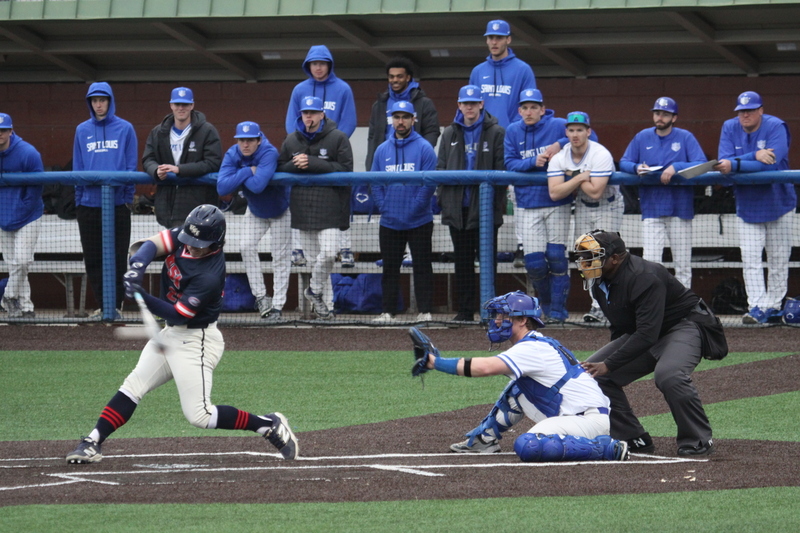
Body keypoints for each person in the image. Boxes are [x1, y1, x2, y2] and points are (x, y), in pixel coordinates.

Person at [65, 204, 298, 464]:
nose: (192, 246)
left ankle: (267, 424)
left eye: (200, 243)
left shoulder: (209, 275)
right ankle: (92, 441)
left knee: (200, 415)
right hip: (171, 334)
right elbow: (151, 246)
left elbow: (178, 314)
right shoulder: (188, 234)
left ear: (216, 243)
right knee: (133, 387)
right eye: (191, 240)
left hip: (196, 340)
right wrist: (137, 268)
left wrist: (141, 295)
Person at [418, 290, 629, 463]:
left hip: (587, 420)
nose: (497, 321)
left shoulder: (532, 348)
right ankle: (484, 439)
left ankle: (605, 448)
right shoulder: (534, 344)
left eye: (503, 315)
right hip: (572, 413)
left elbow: (485, 368)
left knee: (528, 445)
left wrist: (435, 362)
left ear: (522, 320)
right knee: (519, 388)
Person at [576, 230, 715, 456]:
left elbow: (647, 335)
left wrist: (610, 364)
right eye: (583, 257)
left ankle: (698, 439)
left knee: (669, 375)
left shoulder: (645, 276)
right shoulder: (600, 280)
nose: (585, 262)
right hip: (647, 332)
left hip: (684, 326)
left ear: (615, 258)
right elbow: (622, 328)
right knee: (590, 376)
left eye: (591, 256)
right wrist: (610, 366)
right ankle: (633, 438)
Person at [504, 88, 592, 323]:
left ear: (543, 109)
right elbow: (509, 163)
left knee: (556, 256)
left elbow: (589, 137)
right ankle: (546, 304)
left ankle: (558, 312)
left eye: (534, 107)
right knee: (534, 264)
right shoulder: (513, 130)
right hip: (526, 202)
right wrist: (533, 161)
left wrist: (558, 144)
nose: (529, 111)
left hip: (557, 200)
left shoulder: (557, 124)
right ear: (520, 110)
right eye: (525, 107)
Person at [713, 91, 796, 324]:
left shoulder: (775, 125)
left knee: (778, 258)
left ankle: (774, 306)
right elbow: (723, 164)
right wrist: (754, 156)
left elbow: (772, 163)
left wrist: (737, 164)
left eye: (750, 110)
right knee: (750, 258)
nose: (745, 114)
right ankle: (757, 307)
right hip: (748, 204)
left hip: (778, 202)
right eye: (741, 111)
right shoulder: (730, 127)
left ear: (761, 110)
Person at [278, 96, 353, 319]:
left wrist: (312, 162)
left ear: (322, 114)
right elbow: (281, 167)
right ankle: (326, 310)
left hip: (329, 207)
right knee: (317, 264)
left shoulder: (338, 137)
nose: (309, 116)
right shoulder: (291, 140)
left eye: (313, 112)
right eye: (305, 112)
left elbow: (346, 169)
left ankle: (313, 291)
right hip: (302, 208)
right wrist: (295, 164)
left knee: (329, 254)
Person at [619, 97, 706, 290]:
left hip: (679, 208)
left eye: (665, 114)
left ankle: (684, 306)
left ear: (674, 118)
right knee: (650, 264)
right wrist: (636, 167)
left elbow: (701, 163)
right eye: (657, 113)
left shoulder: (685, 137)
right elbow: (624, 162)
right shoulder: (642, 136)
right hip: (652, 207)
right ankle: (653, 304)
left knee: (682, 264)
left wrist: (676, 167)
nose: (660, 117)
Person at [437, 85, 506, 322]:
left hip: (485, 209)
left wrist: (495, 206)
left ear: (481, 104)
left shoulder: (496, 131)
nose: (469, 107)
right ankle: (465, 311)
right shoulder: (449, 133)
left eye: (473, 103)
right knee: (463, 263)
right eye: (465, 103)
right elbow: (440, 169)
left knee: (488, 263)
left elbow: (502, 173)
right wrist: (444, 201)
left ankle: (492, 312)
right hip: (458, 208)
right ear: (459, 105)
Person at [285, 45, 357, 268]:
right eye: (314, 63)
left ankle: (345, 248)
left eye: (322, 63)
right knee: (298, 197)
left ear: (329, 65)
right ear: (308, 65)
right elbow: (291, 122)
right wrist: (300, 144)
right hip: (304, 149)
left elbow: (349, 121)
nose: (318, 67)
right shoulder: (299, 89)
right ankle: (297, 248)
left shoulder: (343, 88)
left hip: (333, 150)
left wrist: (334, 142)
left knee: (340, 198)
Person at [546, 111, 621, 322]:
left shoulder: (600, 153)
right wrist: (579, 177)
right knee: (587, 256)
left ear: (588, 131)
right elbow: (554, 193)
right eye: (571, 130)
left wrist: (570, 178)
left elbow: (596, 191)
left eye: (580, 129)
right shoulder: (561, 156)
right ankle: (597, 306)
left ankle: (611, 305)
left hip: (608, 206)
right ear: (566, 132)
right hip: (582, 207)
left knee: (608, 257)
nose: (575, 134)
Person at [72, 82, 138, 319]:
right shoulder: (81, 130)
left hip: (118, 205)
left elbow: (131, 167)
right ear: (89, 103)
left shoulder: (125, 128)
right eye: (94, 100)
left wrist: (127, 199)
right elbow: (77, 169)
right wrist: (80, 201)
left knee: (119, 257)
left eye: (102, 100)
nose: (98, 105)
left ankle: (116, 307)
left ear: (110, 101)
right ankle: (103, 307)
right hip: (88, 207)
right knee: (93, 259)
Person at [370, 101, 437, 323]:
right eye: (397, 117)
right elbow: (375, 183)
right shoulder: (382, 149)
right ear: (392, 119)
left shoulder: (425, 148)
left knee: (422, 266)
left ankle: (425, 311)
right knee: (389, 268)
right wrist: (385, 207)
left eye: (405, 117)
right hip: (390, 221)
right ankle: (388, 312)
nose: (400, 121)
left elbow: (429, 185)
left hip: (419, 220)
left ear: (413, 119)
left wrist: (413, 209)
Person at [217, 121, 289, 320]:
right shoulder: (233, 153)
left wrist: (237, 177)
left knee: (280, 257)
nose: (245, 144)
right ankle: (261, 297)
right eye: (241, 140)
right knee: (246, 246)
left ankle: (278, 305)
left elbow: (257, 186)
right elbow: (222, 188)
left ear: (259, 140)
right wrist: (247, 171)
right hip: (255, 210)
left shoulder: (268, 152)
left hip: (279, 209)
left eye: (250, 140)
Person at [142, 87, 222, 229]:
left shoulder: (207, 131)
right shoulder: (158, 132)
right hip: (166, 202)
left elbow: (213, 162)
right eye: (177, 104)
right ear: (171, 105)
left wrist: (179, 169)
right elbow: (148, 158)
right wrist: (155, 170)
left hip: (197, 201)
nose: (181, 108)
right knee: (170, 246)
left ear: (192, 105)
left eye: (185, 104)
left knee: (194, 247)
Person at [0, 113, 44, 319]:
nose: (0, 135)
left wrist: (20, 211)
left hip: (28, 216)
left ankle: (8, 296)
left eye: (3, 131)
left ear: (10, 131)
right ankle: (25, 308)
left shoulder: (27, 153)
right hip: (2, 217)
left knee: (23, 261)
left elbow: (35, 190)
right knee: (14, 265)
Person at [365, 56, 440, 171]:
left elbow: (432, 132)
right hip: (386, 164)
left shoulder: (424, 103)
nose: (395, 80)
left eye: (399, 76)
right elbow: (372, 137)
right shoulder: (379, 105)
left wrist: (421, 156)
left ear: (408, 77)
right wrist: (371, 164)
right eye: (391, 76)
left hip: (414, 164)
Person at [469, 19, 536, 129]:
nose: (494, 42)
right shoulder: (477, 71)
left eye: (499, 38)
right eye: (491, 38)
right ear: (486, 40)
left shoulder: (523, 69)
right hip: (482, 136)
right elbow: (470, 106)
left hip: (511, 136)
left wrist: (513, 130)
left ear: (508, 39)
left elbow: (530, 106)